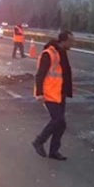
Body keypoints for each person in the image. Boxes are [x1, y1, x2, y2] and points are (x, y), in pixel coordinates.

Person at [32, 31, 75, 161]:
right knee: (58, 120)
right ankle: (39, 141)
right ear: (63, 41)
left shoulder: (61, 52)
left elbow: (64, 73)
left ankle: (54, 151)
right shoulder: (49, 54)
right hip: (49, 93)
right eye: (71, 41)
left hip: (59, 93)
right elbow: (40, 75)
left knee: (61, 124)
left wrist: (67, 91)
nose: (72, 43)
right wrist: (39, 93)